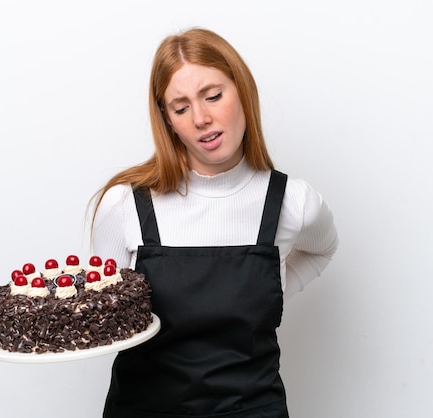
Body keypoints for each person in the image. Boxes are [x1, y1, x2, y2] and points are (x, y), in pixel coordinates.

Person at [90, 27, 338, 418]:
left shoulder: (294, 202)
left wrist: (276, 288)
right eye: (181, 106)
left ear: (242, 91)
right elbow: (105, 313)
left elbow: (322, 249)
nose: (202, 118)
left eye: (213, 96)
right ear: (167, 119)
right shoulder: (125, 204)